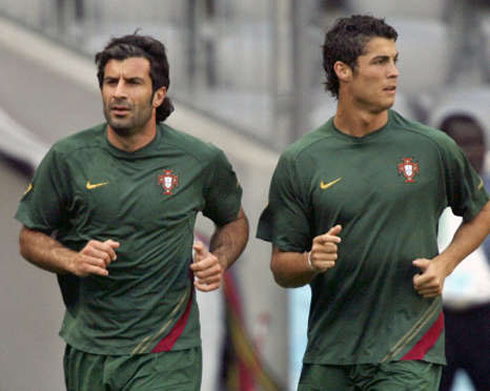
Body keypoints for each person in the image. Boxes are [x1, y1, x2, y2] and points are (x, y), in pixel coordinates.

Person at [256, 14, 490, 391]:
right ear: (343, 71)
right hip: (330, 352)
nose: (393, 72)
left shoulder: (432, 148)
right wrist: (310, 261)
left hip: (407, 348)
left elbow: (481, 212)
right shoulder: (302, 160)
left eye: (395, 60)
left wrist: (445, 263)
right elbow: (282, 267)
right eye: (380, 62)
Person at [15, 33, 249, 391]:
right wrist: (73, 260)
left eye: (133, 82)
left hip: (167, 352)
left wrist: (219, 258)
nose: (119, 92)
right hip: (90, 349)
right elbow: (30, 237)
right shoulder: (68, 158)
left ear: (159, 94)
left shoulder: (199, 160)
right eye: (111, 81)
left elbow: (233, 221)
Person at [435, 113, 490, 391]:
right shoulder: (422, 201)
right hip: (434, 322)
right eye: (462, 145)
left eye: (477, 143)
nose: (472, 153)